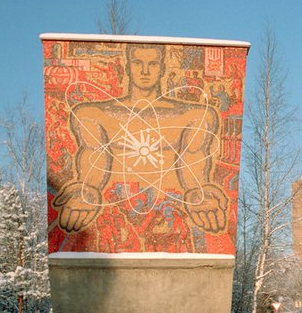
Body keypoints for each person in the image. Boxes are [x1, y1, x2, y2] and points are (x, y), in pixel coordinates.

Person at [52, 43, 228, 238]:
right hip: (118, 221)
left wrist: (197, 194)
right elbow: (95, 154)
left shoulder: (195, 116)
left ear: (162, 69)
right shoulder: (93, 115)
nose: (145, 71)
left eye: (152, 64)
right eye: (137, 63)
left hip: (167, 217)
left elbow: (193, 157)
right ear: (127, 67)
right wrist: (87, 192)